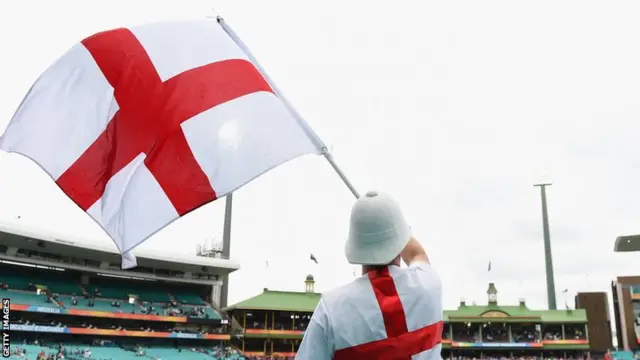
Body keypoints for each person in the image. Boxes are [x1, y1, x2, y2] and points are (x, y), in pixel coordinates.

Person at [296, 191, 443, 360]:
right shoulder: (429, 285)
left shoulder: (330, 310)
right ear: (400, 240)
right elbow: (417, 254)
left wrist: (373, 227)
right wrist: (390, 225)